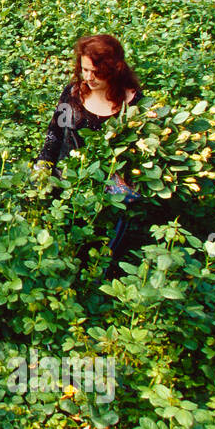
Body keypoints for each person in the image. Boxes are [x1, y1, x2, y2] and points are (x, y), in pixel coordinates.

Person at [34, 34, 143, 273]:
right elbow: (55, 131)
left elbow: (137, 153)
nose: (89, 77)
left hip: (105, 192)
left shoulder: (131, 103)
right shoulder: (73, 93)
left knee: (96, 249)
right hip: (65, 182)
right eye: (85, 70)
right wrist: (43, 164)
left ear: (115, 68)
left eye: (97, 72)